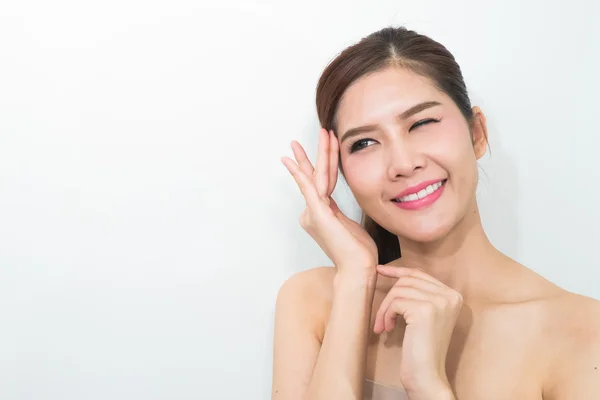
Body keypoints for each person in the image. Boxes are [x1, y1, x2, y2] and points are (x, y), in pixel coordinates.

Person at [272, 26, 600, 400]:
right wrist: (353, 280)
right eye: (364, 143)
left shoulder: (582, 333)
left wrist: (428, 385)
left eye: (421, 123)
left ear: (477, 133)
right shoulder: (315, 302)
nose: (403, 163)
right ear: (342, 172)